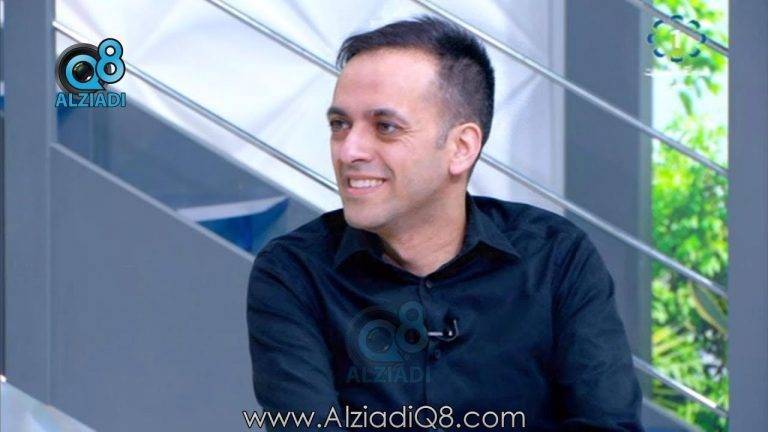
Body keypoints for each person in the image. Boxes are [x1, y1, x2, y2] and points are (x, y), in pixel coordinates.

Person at [247, 16, 643, 431]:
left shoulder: (556, 257)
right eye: (339, 125)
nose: (349, 151)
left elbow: (609, 425)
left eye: (386, 127)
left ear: (461, 147)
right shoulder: (293, 271)